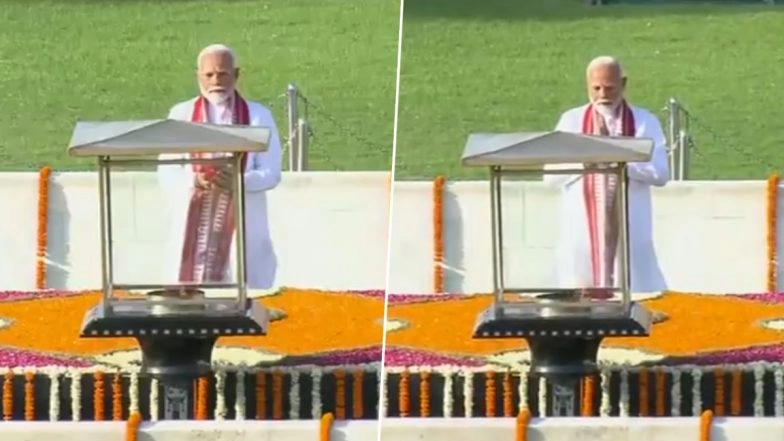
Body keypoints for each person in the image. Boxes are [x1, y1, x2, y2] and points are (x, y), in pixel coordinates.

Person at [157, 43, 282, 289]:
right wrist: (194, 180)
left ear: (236, 75)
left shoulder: (258, 116)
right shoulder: (181, 114)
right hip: (191, 218)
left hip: (243, 221)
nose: (216, 80)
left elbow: (271, 173)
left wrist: (238, 181)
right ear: (198, 76)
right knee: (191, 296)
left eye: (223, 73)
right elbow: (167, 171)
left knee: (245, 290)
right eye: (209, 74)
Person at [544, 56, 668, 293]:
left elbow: (660, 173)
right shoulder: (571, 121)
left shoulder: (644, 122)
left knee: (636, 298)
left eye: (610, 88)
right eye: (596, 88)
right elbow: (550, 177)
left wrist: (619, 162)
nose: (603, 95)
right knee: (579, 299)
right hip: (580, 230)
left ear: (624, 83)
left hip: (630, 229)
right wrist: (588, 161)